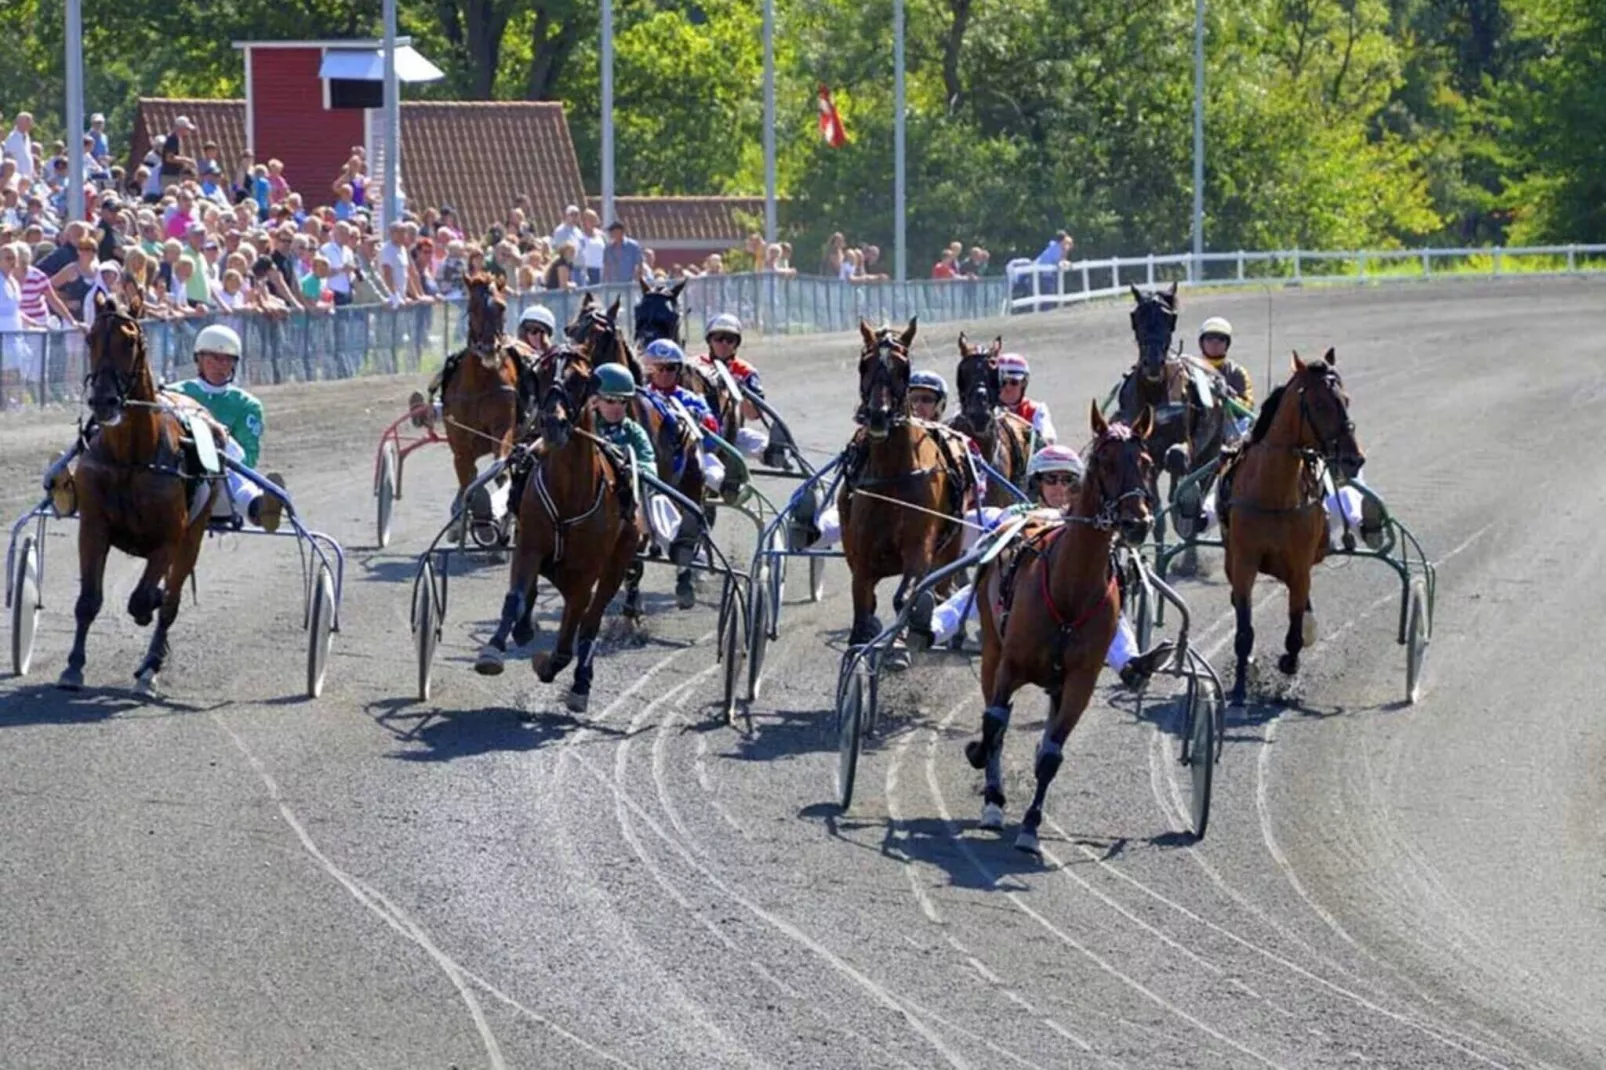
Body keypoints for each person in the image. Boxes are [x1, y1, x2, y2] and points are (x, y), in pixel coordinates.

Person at [908, 444, 1175, 689]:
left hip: (1070, 607)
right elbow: (942, 532)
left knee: (1106, 607)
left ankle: (1130, 665)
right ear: (1037, 483)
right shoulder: (1010, 514)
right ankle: (926, 630)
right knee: (971, 593)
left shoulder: (1090, 523)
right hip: (1010, 600)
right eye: (1051, 479)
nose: (1059, 487)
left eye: (1068, 480)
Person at [169, 325, 285, 532]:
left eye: (227, 359)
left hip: (220, 478)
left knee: (232, 469)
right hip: (177, 470)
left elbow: (248, 458)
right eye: (213, 358)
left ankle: (259, 508)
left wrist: (219, 441)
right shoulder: (174, 394)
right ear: (199, 359)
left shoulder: (247, 405)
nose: (220, 365)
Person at [695, 313, 772, 459]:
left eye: (729, 340)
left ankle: (772, 454)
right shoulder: (693, 366)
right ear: (709, 341)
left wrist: (735, 389)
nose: (724, 344)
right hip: (698, 432)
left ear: (736, 344)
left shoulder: (745, 371)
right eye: (718, 339)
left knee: (764, 444)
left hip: (731, 434)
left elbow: (754, 415)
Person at [1196, 316, 1255, 440]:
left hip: (1232, 431)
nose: (1215, 343)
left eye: (1221, 339)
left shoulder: (1238, 372)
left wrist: (1231, 397)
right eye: (1210, 338)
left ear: (1227, 344)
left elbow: (1248, 407)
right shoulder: (1191, 369)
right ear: (1202, 342)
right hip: (1198, 428)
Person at [996, 352, 1057, 445]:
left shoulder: (1036, 410)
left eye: (1014, 382)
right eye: (1002, 382)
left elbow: (1049, 438)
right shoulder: (986, 412)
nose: (1007, 388)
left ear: (1024, 383)